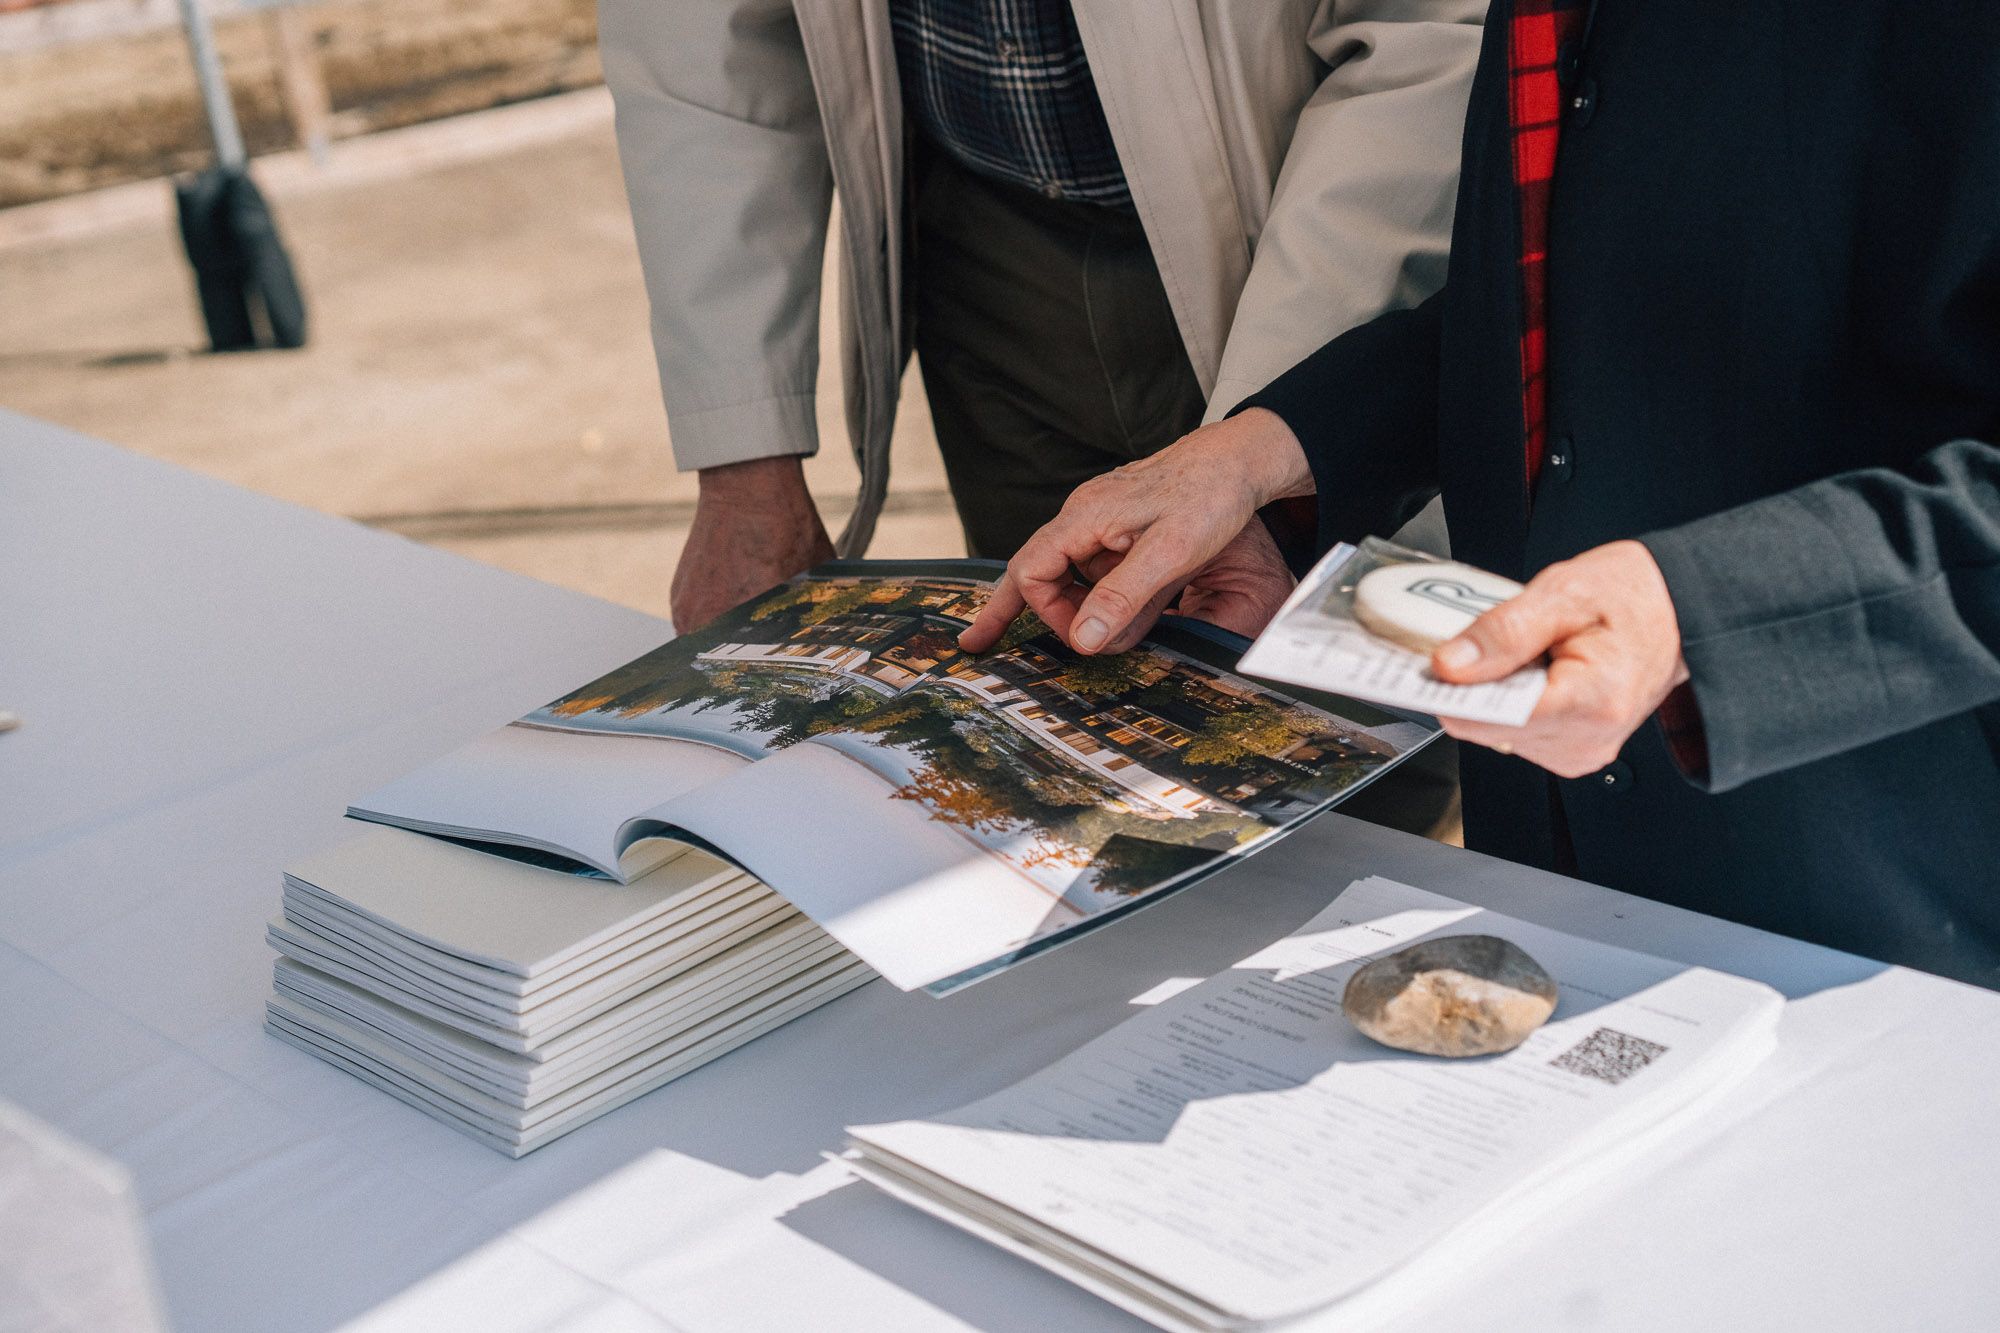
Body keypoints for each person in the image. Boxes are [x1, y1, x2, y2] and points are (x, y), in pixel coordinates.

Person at [960, 0, 2000, 984]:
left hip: (1872, 887)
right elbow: (1575, 287)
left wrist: (1702, 617)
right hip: (1542, 847)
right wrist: (1272, 449)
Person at [596, 0, 1485, 631]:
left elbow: (1429, 37)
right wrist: (744, 459)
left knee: (1347, 731)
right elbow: (696, 47)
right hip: (985, 260)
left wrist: (1270, 451)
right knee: (1057, 723)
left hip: (1318, 235)